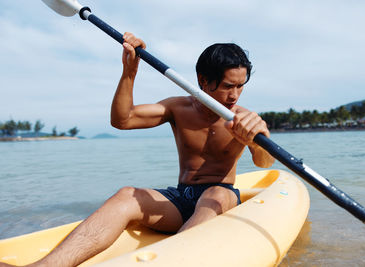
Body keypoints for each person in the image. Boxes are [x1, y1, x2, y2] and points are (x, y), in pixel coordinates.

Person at [2, 33, 274, 267]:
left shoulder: (245, 119)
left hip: (220, 199)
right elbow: (123, 120)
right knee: (125, 195)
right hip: (181, 198)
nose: (235, 95)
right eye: (228, 86)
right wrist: (129, 72)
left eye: (240, 86)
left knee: (216, 193)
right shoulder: (178, 108)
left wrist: (254, 139)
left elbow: (264, 163)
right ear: (203, 80)